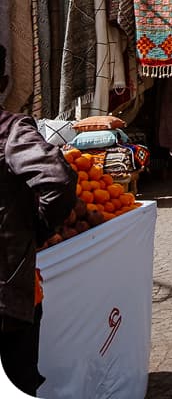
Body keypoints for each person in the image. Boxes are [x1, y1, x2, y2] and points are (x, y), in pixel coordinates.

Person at [0, 88, 77, 397]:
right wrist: (37, 229)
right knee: (18, 383)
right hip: (8, 294)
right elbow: (57, 180)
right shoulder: (10, 129)